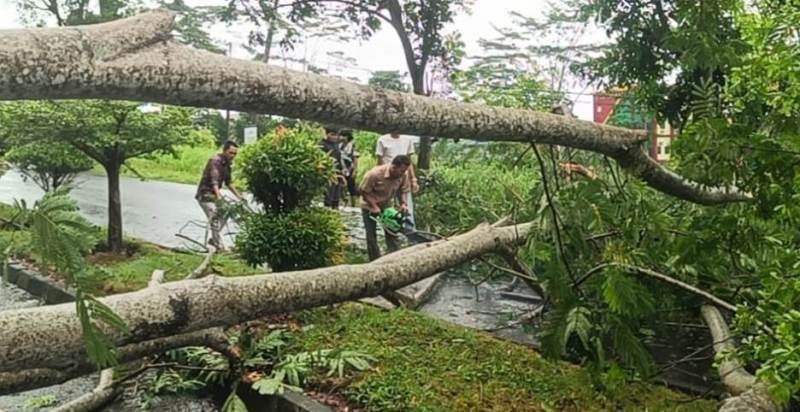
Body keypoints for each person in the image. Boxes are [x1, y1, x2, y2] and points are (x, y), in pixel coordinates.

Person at [359, 155, 411, 261]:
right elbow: (363, 191)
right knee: (371, 235)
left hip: (387, 204)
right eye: (401, 171)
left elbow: (404, 190)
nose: (402, 173)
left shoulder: (403, 175)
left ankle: (395, 257)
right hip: (369, 205)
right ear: (393, 167)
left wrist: (403, 203)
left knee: (392, 230)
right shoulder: (374, 174)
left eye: (404, 171)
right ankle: (374, 260)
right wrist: (373, 206)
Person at [195, 140, 243, 249]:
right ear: (224, 151)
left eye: (235, 154)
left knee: (227, 211)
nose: (233, 156)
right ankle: (219, 246)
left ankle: (213, 239)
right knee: (215, 218)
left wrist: (239, 197)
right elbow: (214, 181)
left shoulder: (227, 164)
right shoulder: (215, 161)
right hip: (205, 195)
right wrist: (219, 197)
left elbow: (229, 182)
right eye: (231, 153)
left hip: (214, 195)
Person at [375, 133, 419, 231]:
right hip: (388, 178)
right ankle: (391, 230)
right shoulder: (382, 140)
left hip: (403, 178)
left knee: (406, 205)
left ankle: (410, 231)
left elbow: (409, 162)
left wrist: (413, 179)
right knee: (388, 206)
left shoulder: (407, 140)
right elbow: (379, 161)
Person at [320, 127, 344, 209]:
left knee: (336, 195)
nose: (334, 137)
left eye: (336, 135)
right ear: (327, 134)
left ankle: (335, 212)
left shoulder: (336, 145)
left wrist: (341, 171)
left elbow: (339, 158)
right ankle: (327, 211)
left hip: (337, 172)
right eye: (332, 135)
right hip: (328, 172)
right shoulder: (322, 144)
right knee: (328, 194)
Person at [339, 130, 359, 207]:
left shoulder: (352, 145)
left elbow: (355, 159)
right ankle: (344, 200)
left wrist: (355, 170)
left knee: (351, 187)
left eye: (344, 136)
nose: (342, 137)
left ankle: (353, 205)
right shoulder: (339, 145)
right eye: (341, 136)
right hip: (341, 168)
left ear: (348, 137)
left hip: (350, 169)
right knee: (340, 185)